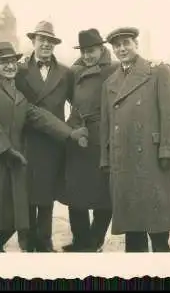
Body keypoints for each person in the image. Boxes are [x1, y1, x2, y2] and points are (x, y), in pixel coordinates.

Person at [0, 41, 88, 253]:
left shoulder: (14, 91)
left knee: (8, 212)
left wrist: (70, 133)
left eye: (12, 62)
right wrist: (6, 149)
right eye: (3, 62)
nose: (9, 66)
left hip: (9, 157)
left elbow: (39, 116)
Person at [99, 27, 170, 253]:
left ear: (136, 44)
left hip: (153, 158)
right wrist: (106, 159)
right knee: (132, 231)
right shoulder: (110, 83)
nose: (122, 49)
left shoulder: (157, 72)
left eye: (126, 43)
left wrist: (168, 151)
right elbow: (106, 125)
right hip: (123, 160)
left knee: (158, 229)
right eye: (117, 45)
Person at [15, 21, 75, 252]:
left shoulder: (65, 72)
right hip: (26, 139)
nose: (46, 44)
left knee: (46, 192)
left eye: (50, 41)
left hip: (52, 142)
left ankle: (45, 238)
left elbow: (78, 103)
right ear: (33, 42)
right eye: (42, 40)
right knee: (27, 191)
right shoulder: (18, 70)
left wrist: (68, 129)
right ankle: (26, 240)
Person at [60, 29, 120, 252]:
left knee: (103, 192)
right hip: (77, 135)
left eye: (91, 51)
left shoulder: (113, 69)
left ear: (102, 49)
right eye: (84, 51)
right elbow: (65, 93)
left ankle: (95, 240)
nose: (87, 56)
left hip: (102, 135)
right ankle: (80, 240)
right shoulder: (74, 72)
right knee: (75, 191)